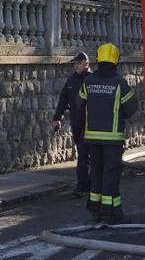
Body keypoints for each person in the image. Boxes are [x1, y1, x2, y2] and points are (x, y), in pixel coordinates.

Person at [77, 42, 138, 224]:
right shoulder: (119, 83)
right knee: (110, 176)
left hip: (92, 139)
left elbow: (79, 104)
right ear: (116, 61)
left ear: (98, 59)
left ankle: (96, 211)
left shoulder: (88, 81)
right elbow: (131, 109)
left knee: (96, 172)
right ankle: (112, 214)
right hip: (112, 140)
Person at [52, 51, 92, 196]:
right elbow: (63, 100)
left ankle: (84, 186)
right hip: (77, 124)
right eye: (74, 64)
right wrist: (57, 118)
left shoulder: (92, 79)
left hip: (91, 125)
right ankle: (86, 185)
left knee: (84, 156)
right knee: (83, 155)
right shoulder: (71, 80)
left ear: (86, 64)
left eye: (78, 63)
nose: (75, 66)